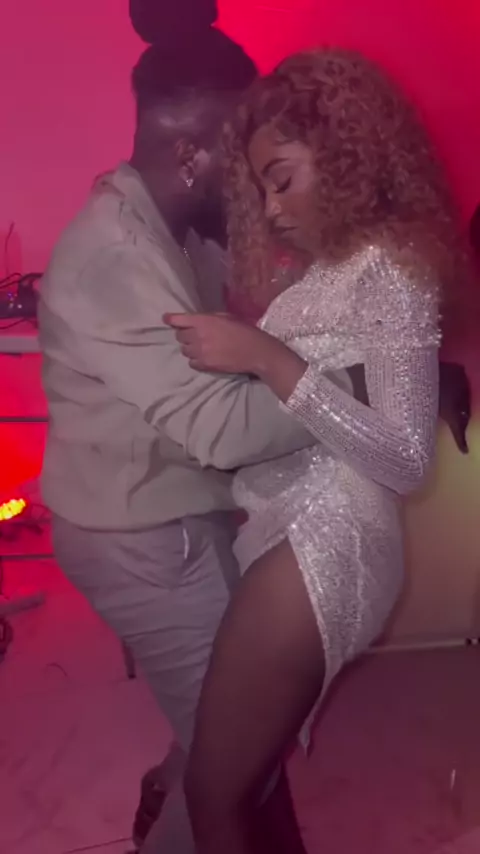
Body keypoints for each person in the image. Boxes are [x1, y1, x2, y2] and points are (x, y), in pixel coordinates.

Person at [165, 48, 470, 854]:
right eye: (261, 187)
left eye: (283, 179)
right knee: (238, 783)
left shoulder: (391, 269)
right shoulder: (343, 268)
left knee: (213, 792)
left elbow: (406, 461)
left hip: (328, 531)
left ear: (342, 155)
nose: (269, 209)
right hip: (299, 524)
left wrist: (267, 358)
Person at [38, 22, 317, 854]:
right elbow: (222, 428)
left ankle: (169, 787)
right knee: (238, 762)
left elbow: (258, 315)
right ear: (192, 152)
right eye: (242, 153)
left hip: (175, 514)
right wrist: (354, 393)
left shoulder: (171, 223)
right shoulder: (117, 259)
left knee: (228, 725)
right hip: (144, 540)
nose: (254, 178)